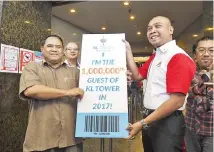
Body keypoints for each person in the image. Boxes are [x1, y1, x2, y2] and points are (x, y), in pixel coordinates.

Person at [125, 16, 196, 152]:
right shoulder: (156, 56)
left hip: (168, 123)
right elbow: (138, 76)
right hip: (151, 120)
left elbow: (177, 101)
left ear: (170, 30)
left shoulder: (177, 56)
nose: (152, 31)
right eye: (149, 28)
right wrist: (128, 51)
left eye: (157, 26)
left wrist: (142, 123)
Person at [19, 35, 84, 152]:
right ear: (42, 49)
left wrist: (120, 76)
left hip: (71, 139)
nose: (54, 49)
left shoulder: (75, 72)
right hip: (42, 139)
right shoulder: (32, 68)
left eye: (58, 47)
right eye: (50, 46)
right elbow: (32, 91)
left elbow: (94, 88)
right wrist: (67, 92)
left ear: (63, 51)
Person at [184, 36, 213, 152]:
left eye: (211, 50)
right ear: (195, 56)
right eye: (201, 50)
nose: (206, 54)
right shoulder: (189, 73)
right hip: (191, 129)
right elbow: (193, 90)